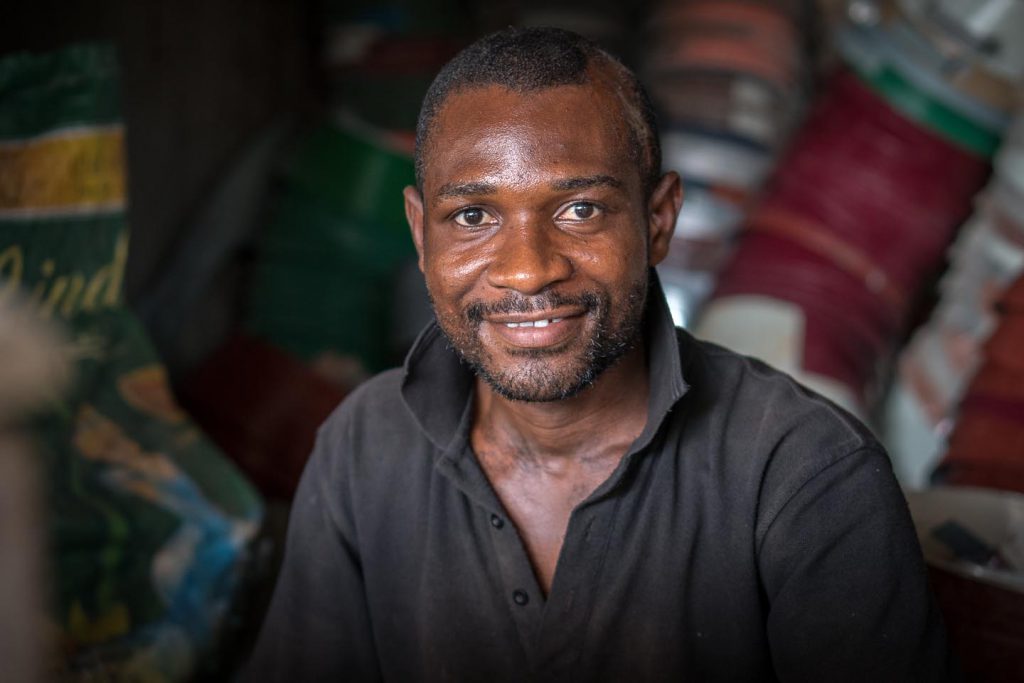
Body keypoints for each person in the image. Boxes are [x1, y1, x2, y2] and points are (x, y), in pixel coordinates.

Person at [245, 27, 957, 681]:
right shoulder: (366, 445)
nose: (527, 270)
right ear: (421, 234)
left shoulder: (804, 474)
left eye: (580, 209)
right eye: (472, 216)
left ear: (658, 221)